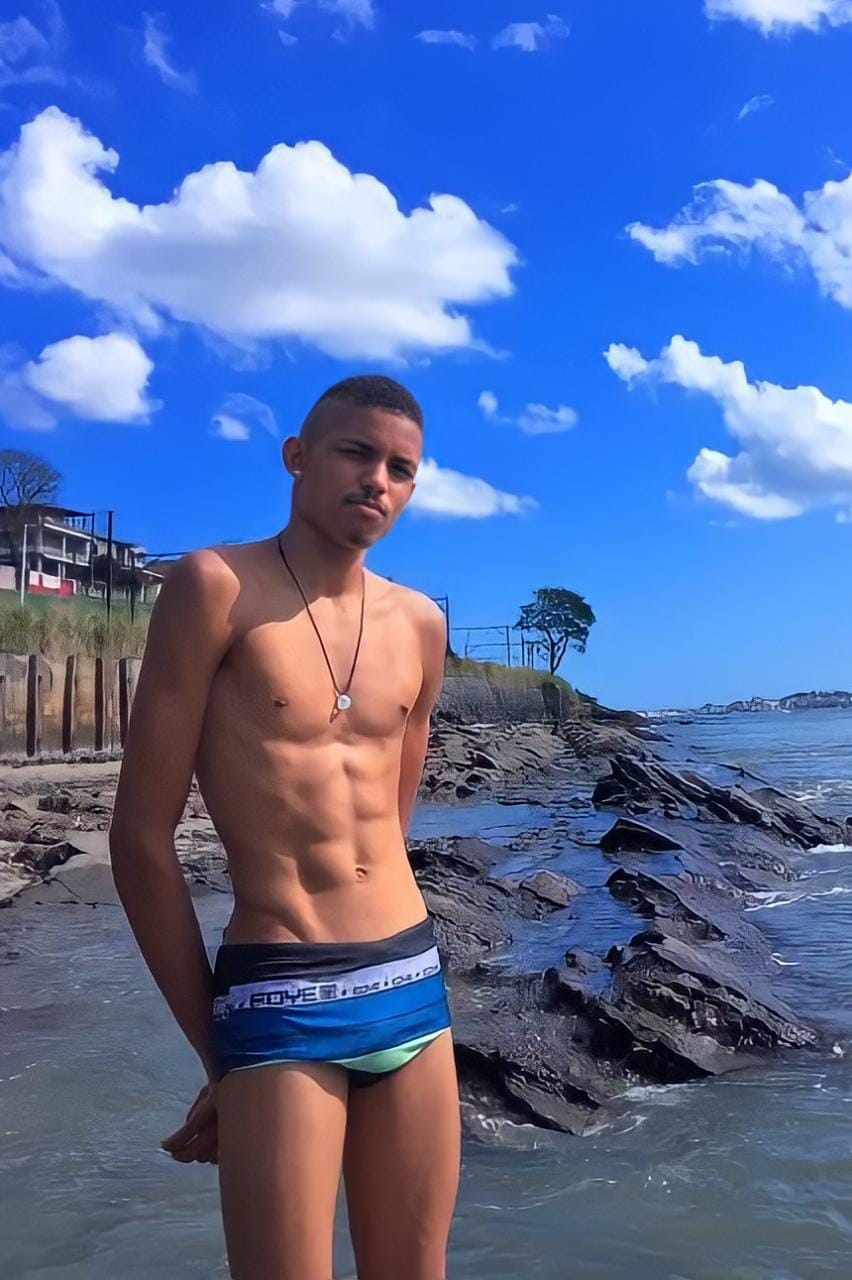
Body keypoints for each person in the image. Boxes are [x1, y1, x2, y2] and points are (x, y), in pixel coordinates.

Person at [109, 375, 460, 1280]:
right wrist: (219, 1054)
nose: (377, 479)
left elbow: (389, 823)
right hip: (279, 992)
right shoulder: (215, 588)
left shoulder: (421, 624)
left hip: (410, 983)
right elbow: (140, 839)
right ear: (297, 457)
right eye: (356, 452)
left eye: (401, 468)